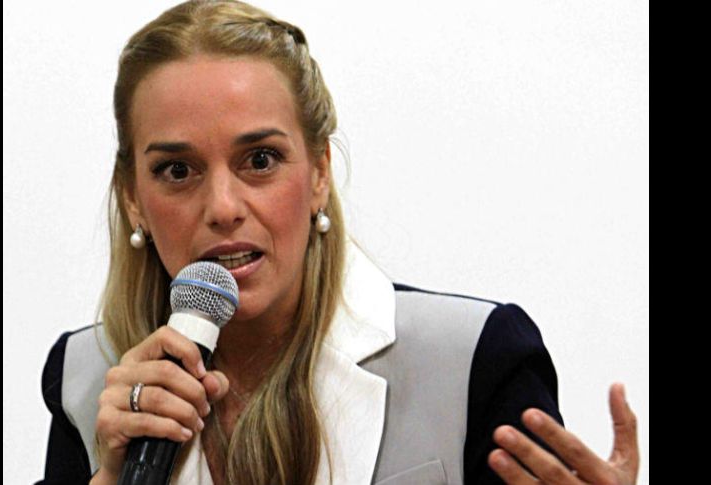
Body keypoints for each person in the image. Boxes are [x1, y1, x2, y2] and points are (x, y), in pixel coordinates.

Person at [36, 1, 640, 484]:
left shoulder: (473, 360)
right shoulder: (84, 381)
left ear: (320, 173)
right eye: (177, 170)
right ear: (133, 198)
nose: (222, 208)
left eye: (260, 160)